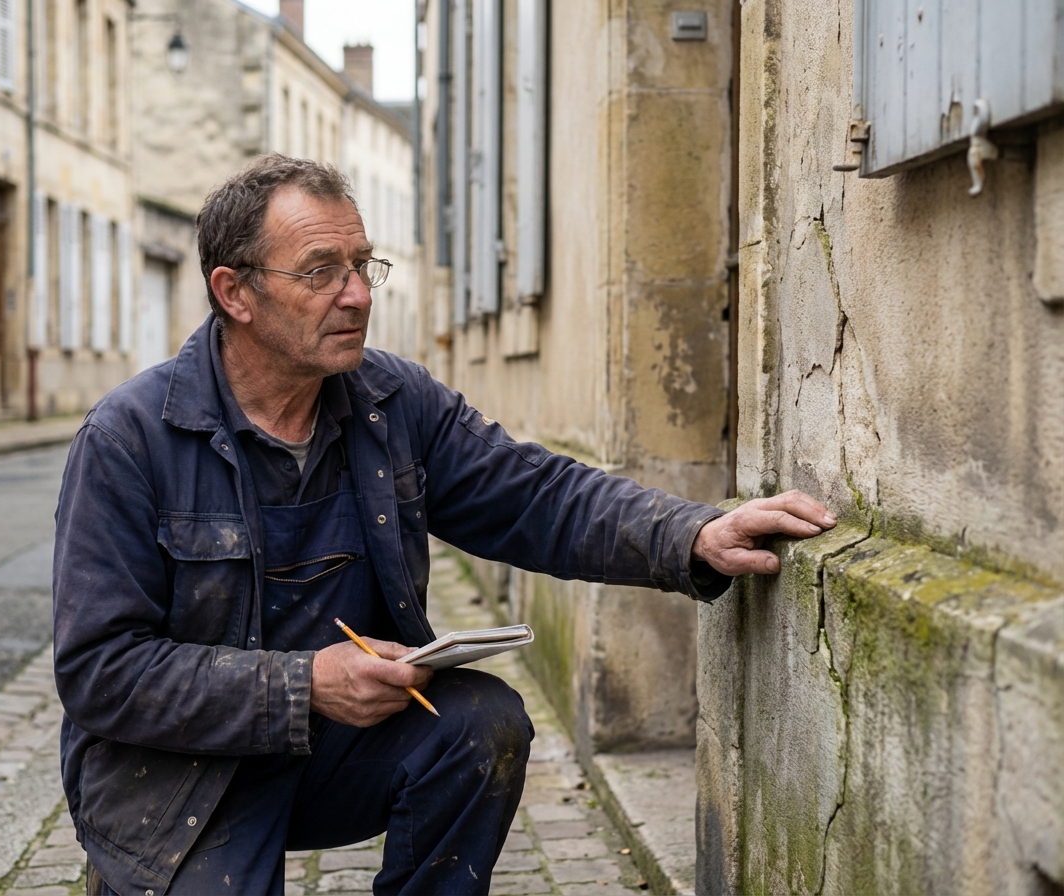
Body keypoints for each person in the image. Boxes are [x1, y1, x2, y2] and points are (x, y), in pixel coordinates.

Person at [53, 154, 836, 896]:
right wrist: (305, 685)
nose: (357, 294)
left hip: (329, 753)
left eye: (363, 265)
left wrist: (692, 534)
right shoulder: (130, 440)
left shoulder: (391, 402)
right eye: (322, 272)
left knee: (481, 723)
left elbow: (536, 496)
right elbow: (99, 670)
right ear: (235, 292)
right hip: (184, 777)